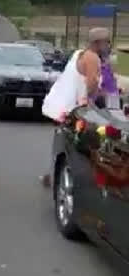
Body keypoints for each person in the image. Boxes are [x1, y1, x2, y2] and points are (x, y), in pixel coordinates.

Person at [40, 27, 115, 187]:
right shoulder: (92, 58)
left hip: (63, 107)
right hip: (76, 109)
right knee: (88, 141)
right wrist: (97, 99)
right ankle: (85, 177)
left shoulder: (79, 53)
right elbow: (91, 84)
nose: (108, 46)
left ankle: (51, 174)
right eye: (106, 42)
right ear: (98, 42)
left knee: (62, 140)